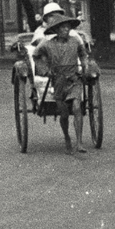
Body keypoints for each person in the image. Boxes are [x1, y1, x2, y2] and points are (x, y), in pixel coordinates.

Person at [31, 12, 92, 154]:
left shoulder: (75, 41)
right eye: (63, 28)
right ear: (56, 30)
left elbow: (83, 55)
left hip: (74, 79)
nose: (66, 30)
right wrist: (45, 70)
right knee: (64, 114)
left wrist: (85, 67)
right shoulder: (47, 44)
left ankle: (79, 142)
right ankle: (67, 138)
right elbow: (35, 55)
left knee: (77, 108)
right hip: (58, 81)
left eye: (68, 27)